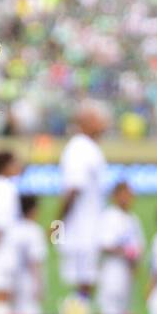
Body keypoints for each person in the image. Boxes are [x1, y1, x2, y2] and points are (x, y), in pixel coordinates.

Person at [54, 102, 110, 301]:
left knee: (86, 285)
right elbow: (74, 188)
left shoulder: (88, 147)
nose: (105, 124)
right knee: (82, 284)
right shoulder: (79, 148)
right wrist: (58, 222)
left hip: (88, 227)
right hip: (81, 229)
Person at [0, 194, 47, 314]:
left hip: (12, 278)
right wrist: (39, 285)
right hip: (26, 283)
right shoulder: (34, 230)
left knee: (1, 309)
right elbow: (35, 261)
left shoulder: (12, 228)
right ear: (33, 210)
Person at [97, 181, 144, 314]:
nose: (128, 198)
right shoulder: (109, 216)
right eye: (125, 195)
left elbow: (139, 247)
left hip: (127, 274)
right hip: (113, 271)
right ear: (116, 196)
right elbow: (104, 244)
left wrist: (134, 260)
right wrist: (125, 252)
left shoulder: (132, 219)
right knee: (110, 313)